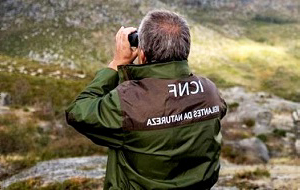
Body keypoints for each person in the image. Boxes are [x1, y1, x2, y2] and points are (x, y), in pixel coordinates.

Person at [66, 10, 227, 190]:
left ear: (142, 55)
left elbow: (77, 111)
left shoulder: (128, 103)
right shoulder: (210, 91)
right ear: (185, 50)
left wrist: (116, 65)